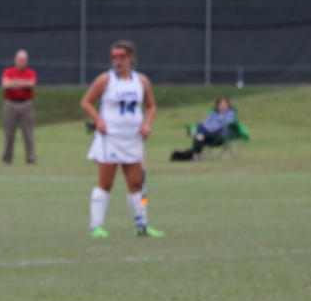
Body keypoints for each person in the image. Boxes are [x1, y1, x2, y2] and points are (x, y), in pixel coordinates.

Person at [80, 39, 161, 238]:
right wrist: (98, 120)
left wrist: (147, 124)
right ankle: (96, 226)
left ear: (131, 58)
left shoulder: (141, 81)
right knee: (106, 182)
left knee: (137, 184)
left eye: (122, 57)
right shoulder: (105, 80)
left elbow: (151, 106)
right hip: (110, 139)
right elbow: (86, 102)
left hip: (132, 139)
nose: (117, 61)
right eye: (114, 57)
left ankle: (142, 225)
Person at [170, 96, 236, 161]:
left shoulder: (230, 113)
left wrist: (214, 128)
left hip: (218, 135)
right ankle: (195, 153)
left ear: (228, 105)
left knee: (199, 135)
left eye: (224, 104)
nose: (223, 106)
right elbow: (205, 123)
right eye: (221, 104)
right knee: (200, 127)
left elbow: (229, 124)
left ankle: (194, 154)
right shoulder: (213, 113)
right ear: (217, 105)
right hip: (206, 134)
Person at [0, 48, 37, 164]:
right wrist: (22, 83)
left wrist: (15, 82)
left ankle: (30, 157)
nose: (22, 62)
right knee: (9, 133)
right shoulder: (8, 71)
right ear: (15, 60)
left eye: (24, 60)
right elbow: (5, 84)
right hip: (10, 103)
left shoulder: (30, 72)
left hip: (26, 104)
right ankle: (7, 158)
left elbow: (31, 83)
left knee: (28, 133)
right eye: (20, 59)